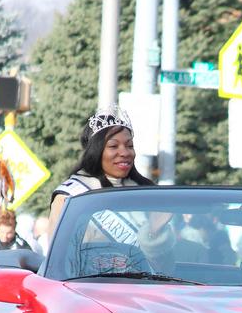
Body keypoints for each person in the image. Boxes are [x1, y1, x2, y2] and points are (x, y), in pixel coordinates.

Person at [48, 106, 174, 269]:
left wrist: (155, 234)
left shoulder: (145, 192)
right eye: (114, 146)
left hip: (146, 289)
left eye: (129, 145)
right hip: (91, 289)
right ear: (96, 151)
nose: (125, 152)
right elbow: (58, 263)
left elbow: (166, 269)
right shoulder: (72, 194)